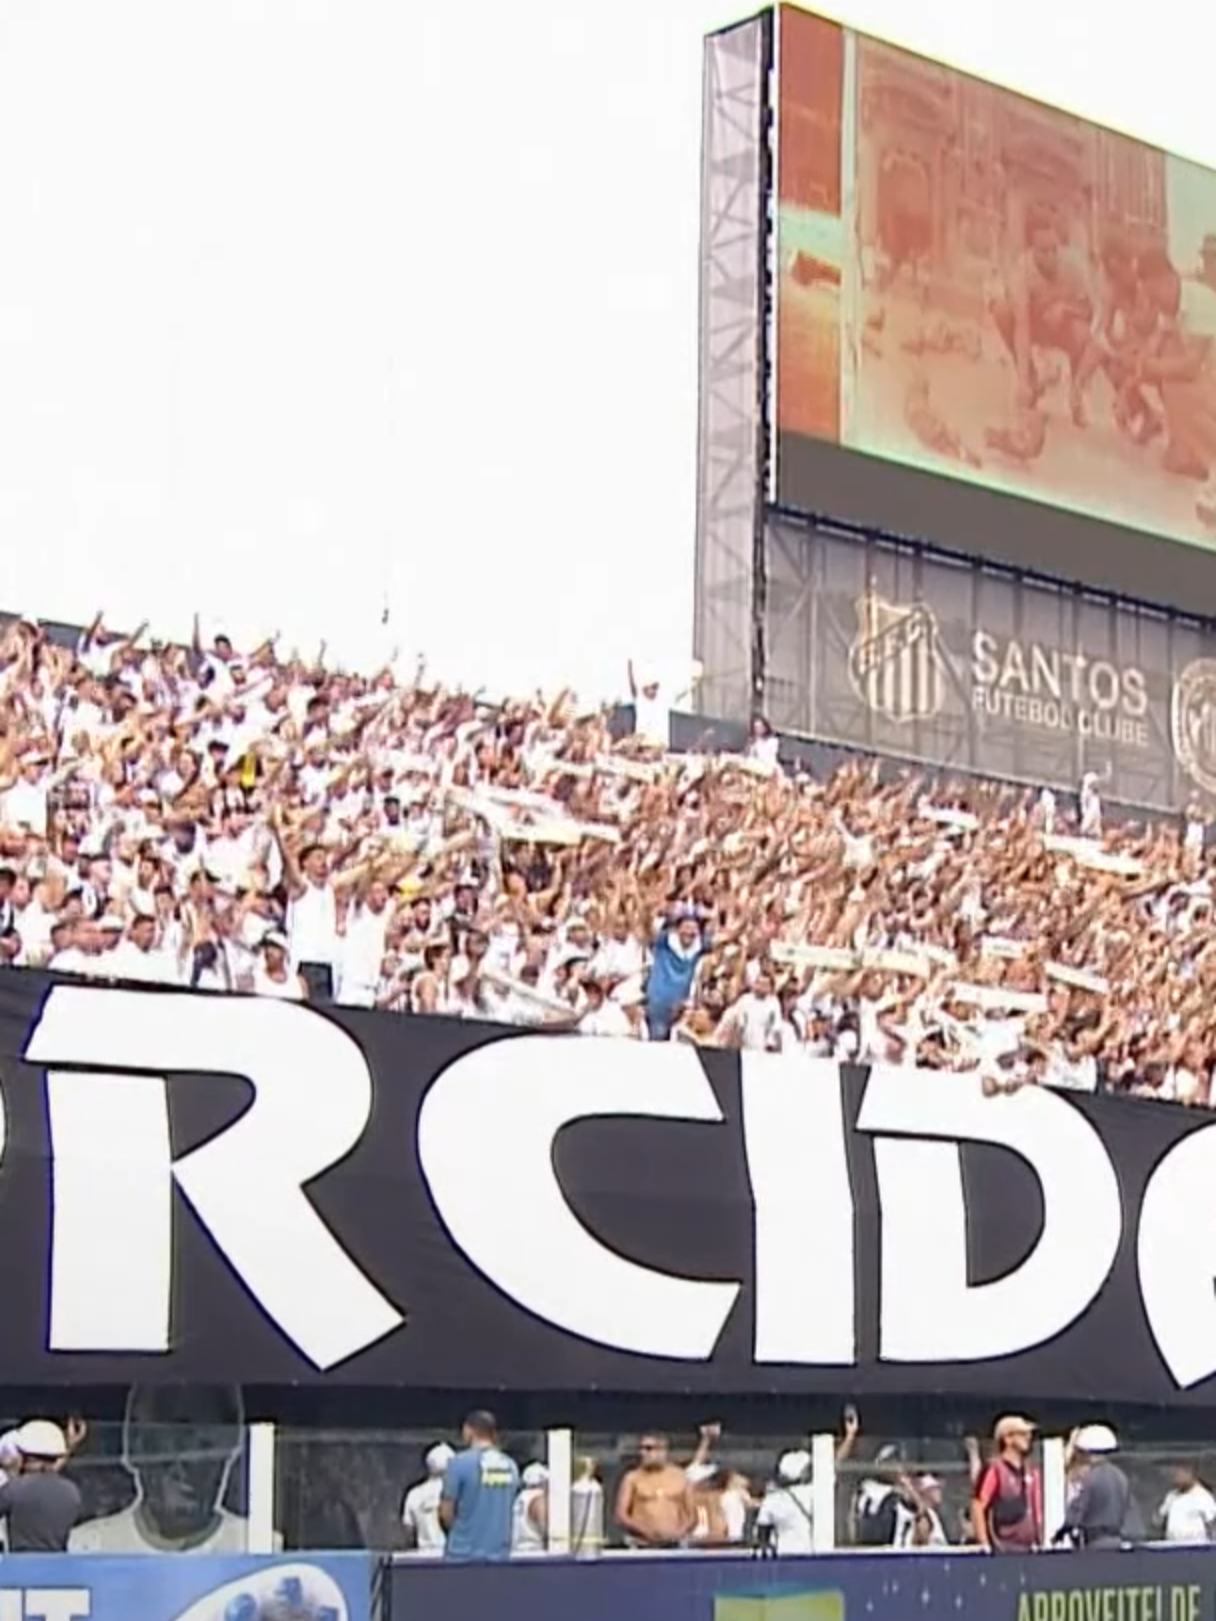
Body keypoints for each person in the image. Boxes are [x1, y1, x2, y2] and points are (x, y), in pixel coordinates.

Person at [69, 1383, 257, 1554]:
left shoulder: (259, 1547)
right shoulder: (88, 1548)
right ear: (136, 1444)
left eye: (204, 1445)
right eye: (176, 1442)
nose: (188, 1460)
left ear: (230, 1450)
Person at [990, 203, 1095, 427]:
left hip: (1063, 327)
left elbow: (1089, 311)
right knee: (1001, 310)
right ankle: (1031, 379)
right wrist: (1022, 381)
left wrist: (1065, 308)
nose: (1050, 256)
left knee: (1084, 334)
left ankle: (1076, 395)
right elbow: (1022, 325)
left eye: (1054, 249)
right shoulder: (1022, 270)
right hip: (1035, 324)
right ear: (1031, 249)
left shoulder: (1073, 266)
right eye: (1043, 251)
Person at [439, 1410, 519, 1563]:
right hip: (499, 1556)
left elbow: (446, 1512)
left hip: (461, 1555)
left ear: (469, 1430)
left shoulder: (458, 1463)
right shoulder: (511, 1466)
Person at [0, 1421, 83, 1552]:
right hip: (59, 1567)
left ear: (29, 1458)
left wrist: (10, 1472)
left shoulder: (15, 1489)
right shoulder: (71, 1491)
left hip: (20, 1568)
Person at [1056, 1424, 1139, 1549]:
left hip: (1095, 1545)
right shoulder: (1120, 1476)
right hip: (1117, 1542)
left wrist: (1062, 1530)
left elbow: (1077, 1510)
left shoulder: (1091, 1478)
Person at [971, 1415, 1042, 1553]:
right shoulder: (995, 1469)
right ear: (1007, 1438)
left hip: (1029, 1549)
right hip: (1003, 1547)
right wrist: (984, 1545)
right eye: (1022, 1434)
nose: (1028, 1438)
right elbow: (978, 1505)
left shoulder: (1031, 1471)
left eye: (1028, 1434)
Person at [614, 1433, 696, 1549]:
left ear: (662, 1451)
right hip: (641, 1545)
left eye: (649, 1449)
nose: (643, 1453)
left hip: (675, 1545)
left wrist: (679, 1532)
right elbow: (620, 1515)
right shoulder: (632, 1478)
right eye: (641, 1449)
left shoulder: (681, 1477)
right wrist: (646, 1532)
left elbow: (692, 1516)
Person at [755, 1450, 815, 1555]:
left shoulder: (772, 1499)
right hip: (811, 1553)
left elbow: (762, 1535)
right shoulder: (814, 1493)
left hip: (783, 1555)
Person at [401, 1443, 455, 1555]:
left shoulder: (414, 1494)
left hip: (423, 1558)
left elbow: (408, 1530)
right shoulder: (457, 1492)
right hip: (451, 1557)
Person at [1158, 1461, 1216, 1544]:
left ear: (1189, 1473)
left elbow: (1212, 1525)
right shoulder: (1171, 1496)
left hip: (1196, 1548)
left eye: (1178, 1474)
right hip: (1171, 1547)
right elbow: (1159, 1520)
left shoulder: (1203, 1496)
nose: (1174, 1478)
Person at [511, 1461, 549, 1555]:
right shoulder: (539, 1499)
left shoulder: (519, 1498)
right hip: (535, 1553)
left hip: (516, 1551)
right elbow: (546, 1530)